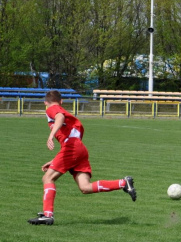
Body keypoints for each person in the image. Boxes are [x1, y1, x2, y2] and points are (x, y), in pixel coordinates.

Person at [28, 90, 136, 226]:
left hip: (72, 149)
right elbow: (72, 138)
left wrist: (50, 136)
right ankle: (123, 183)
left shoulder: (51, 108)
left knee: (47, 178)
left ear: (45, 103)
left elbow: (59, 117)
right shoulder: (69, 116)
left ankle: (48, 215)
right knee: (85, 187)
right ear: (62, 101)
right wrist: (55, 160)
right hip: (78, 149)